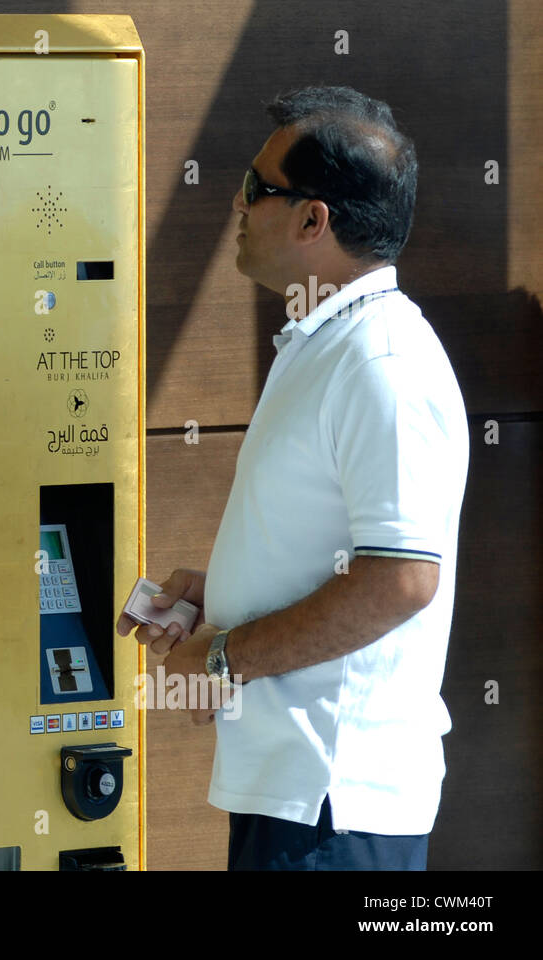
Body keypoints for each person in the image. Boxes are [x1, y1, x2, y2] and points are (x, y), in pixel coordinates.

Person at [117, 86, 469, 870]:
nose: (236, 206)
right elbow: (351, 558)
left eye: (254, 188)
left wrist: (222, 657)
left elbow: (404, 580)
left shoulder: (382, 363)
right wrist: (230, 590)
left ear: (314, 220)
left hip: (334, 805)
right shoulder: (326, 343)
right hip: (299, 797)